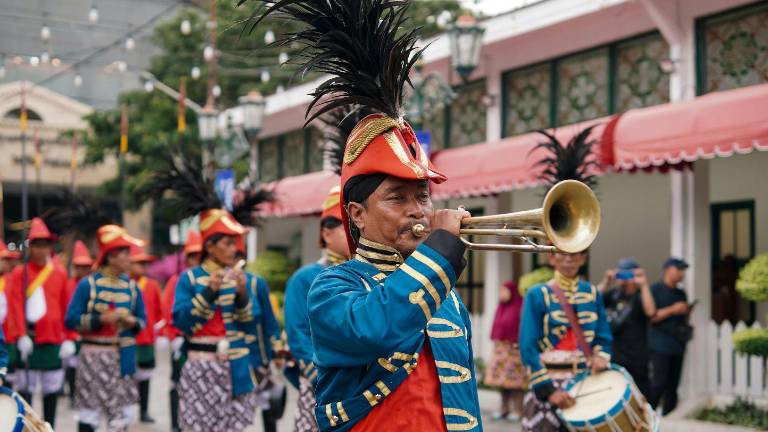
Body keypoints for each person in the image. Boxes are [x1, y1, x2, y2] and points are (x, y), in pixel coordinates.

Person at [518, 126, 611, 432]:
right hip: (549, 386)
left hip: (586, 384)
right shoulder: (538, 295)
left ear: (583, 258)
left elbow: (604, 336)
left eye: (576, 254)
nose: (569, 258)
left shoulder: (592, 294)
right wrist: (549, 391)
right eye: (563, 254)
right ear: (551, 257)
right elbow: (528, 347)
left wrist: (600, 357)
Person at [172, 208, 265, 432]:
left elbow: (251, 323)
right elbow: (182, 322)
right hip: (201, 366)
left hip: (237, 365)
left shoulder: (240, 279)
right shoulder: (190, 279)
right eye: (227, 243)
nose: (234, 249)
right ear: (209, 246)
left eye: (235, 243)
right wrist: (208, 292)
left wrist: (242, 294)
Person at [64, 224, 147, 432]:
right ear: (111, 257)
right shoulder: (88, 285)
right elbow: (70, 320)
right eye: (125, 254)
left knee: (121, 417)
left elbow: (143, 321)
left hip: (123, 356)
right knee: (89, 414)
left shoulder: (132, 288)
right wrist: (100, 319)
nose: (130, 258)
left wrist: (131, 322)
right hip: (93, 358)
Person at [284, 186, 350, 432]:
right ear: (326, 233)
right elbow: (298, 334)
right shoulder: (305, 278)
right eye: (345, 227)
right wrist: (323, 380)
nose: (353, 233)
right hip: (322, 382)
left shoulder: (368, 273)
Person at [5, 217, 75, 428]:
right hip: (29, 339)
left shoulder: (60, 273)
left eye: (45, 245)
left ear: (50, 248)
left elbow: (66, 307)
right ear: (31, 247)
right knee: (26, 392)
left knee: (51, 390)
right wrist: (20, 334)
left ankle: (48, 427)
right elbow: (14, 306)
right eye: (36, 245)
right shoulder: (19, 274)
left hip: (52, 339)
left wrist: (69, 337)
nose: (41, 250)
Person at [160, 229, 202, 432]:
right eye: (192, 255)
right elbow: (168, 311)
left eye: (198, 255)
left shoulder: (207, 279)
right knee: (176, 382)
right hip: (180, 340)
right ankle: (176, 424)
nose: (195, 259)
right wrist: (174, 335)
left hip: (202, 343)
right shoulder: (177, 281)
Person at [599, 258, 656, 397]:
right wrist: (607, 281)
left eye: (628, 276)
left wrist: (643, 284)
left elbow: (651, 312)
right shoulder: (613, 294)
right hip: (616, 356)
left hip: (637, 358)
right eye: (621, 275)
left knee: (641, 395)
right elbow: (591, 300)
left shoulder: (641, 296)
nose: (624, 280)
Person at [648, 257, 690, 416]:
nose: (682, 274)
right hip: (659, 345)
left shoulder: (681, 293)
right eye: (678, 269)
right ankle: (648, 416)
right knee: (658, 383)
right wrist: (673, 309)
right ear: (667, 269)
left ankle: (670, 419)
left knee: (673, 386)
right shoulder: (655, 290)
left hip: (677, 344)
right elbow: (651, 316)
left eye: (683, 270)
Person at [129, 244, 162, 423]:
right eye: (138, 263)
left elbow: (158, 311)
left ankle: (144, 410)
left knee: (145, 377)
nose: (142, 267)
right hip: (129, 340)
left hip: (146, 338)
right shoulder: (124, 284)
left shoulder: (152, 285)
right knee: (127, 376)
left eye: (144, 263)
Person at [484, 280, 526, 422]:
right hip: (501, 350)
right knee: (502, 382)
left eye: (504, 291)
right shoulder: (501, 307)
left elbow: (523, 328)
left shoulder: (519, 307)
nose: (501, 294)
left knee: (516, 383)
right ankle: (504, 409)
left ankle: (518, 410)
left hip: (514, 350)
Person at [64, 240, 94, 406]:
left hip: (87, 331)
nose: (82, 270)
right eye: (79, 266)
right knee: (72, 366)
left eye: (85, 266)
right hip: (73, 331)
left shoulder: (92, 286)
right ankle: (72, 395)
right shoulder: (69, 285)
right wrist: (69, 335)